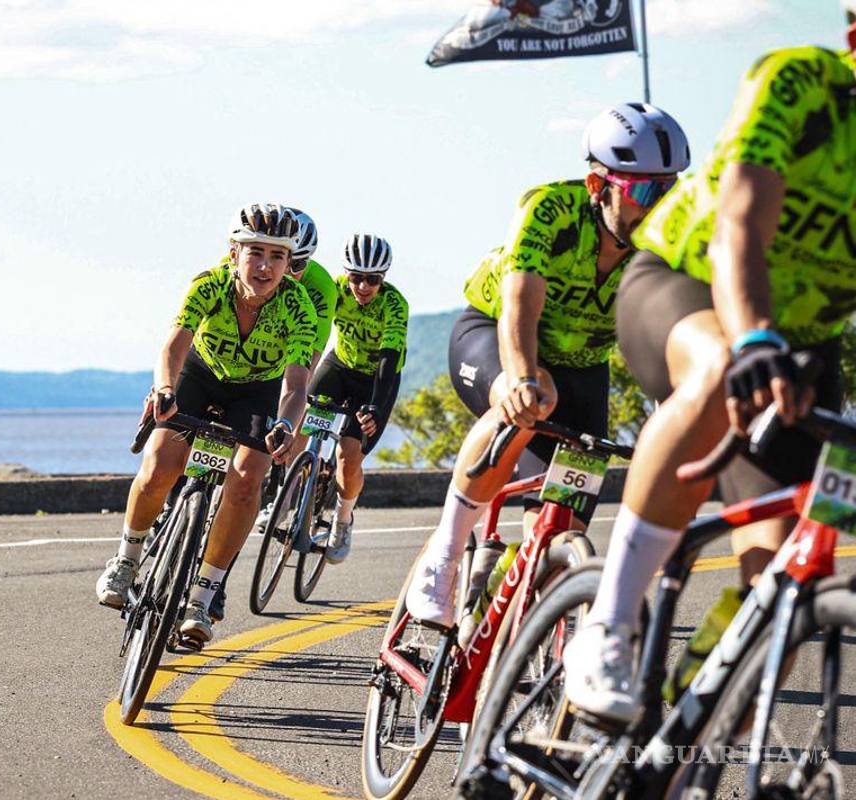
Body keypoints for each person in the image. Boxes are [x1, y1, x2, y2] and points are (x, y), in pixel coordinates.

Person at [563, 20, 856, 723]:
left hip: (805, 350)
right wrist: (754, 334)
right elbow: (739, 226)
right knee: (724, 361)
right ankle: (609, 622)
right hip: (689, 281)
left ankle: (667, 741)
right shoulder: (802, 84)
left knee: (781, 595)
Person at [404, 103, 691, 628]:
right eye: (645, 192)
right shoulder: (551, 210)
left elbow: (668, 334)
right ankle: (444, 556)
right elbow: (520, 306)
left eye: (671, 191)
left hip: (582, 366)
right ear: (596, 185)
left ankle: (506, 614)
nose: (659, 209)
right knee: (533, 399)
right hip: (496, 334)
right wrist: (520, 378)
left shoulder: (669, 240)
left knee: (558, 533)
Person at [95, 203, 316, 647]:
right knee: (161, 463)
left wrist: (287, 427)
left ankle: (202, 595)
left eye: (277, 256)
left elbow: (295, 383)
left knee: (247, 479)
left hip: (256, 390)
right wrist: (162, 389)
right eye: (256, 252)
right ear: (233, 253)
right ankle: (126, 559)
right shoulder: (209, 285)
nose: (265, 265)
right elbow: (173, 348)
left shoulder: (300, 310)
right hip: (199, 376)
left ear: (289, 265)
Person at [211, 206, 335, 623]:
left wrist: (287, 423)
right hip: (231, 357)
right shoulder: (242, 271)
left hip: (284, 358)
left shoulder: (316, 290)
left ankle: (216, 583)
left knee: (276, 442)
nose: (287, 272)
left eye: (295, 263)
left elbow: (306, 366)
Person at [307, 233, 408, 563]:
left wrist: (376, 405)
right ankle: (288, 492)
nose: (363, 287)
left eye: (373, 280)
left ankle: (342, 519)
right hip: (340, 365)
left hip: (375, 379)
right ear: (346, 274)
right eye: (356, 278)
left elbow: (388, 359)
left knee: (348, 458)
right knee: (294, 421)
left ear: (384, 278)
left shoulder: (394, 304)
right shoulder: (335, 290)